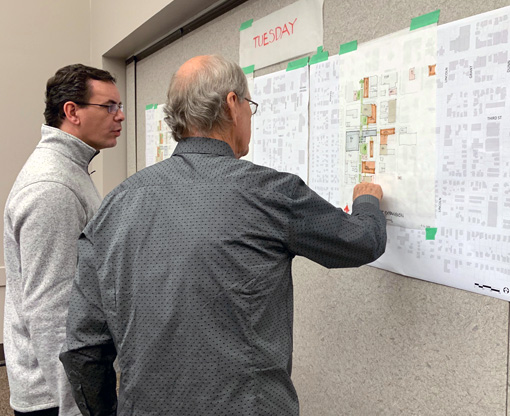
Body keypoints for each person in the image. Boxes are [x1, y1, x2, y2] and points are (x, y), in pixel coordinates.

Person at [60, 54, 386, 415]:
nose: (250, 116)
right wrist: (367, 203)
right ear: (233, 105)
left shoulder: (115, 205)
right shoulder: (270, 192)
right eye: (250, 106)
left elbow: (83, 349)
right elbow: (362, 242)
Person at [3, 64, 125, 416]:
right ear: (71, 112)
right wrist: (76, 406)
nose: (120, 116)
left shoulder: (70, 169)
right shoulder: (52, 187)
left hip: (65, 385)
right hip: (53, 396)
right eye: (109, 107)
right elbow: (50, 310)